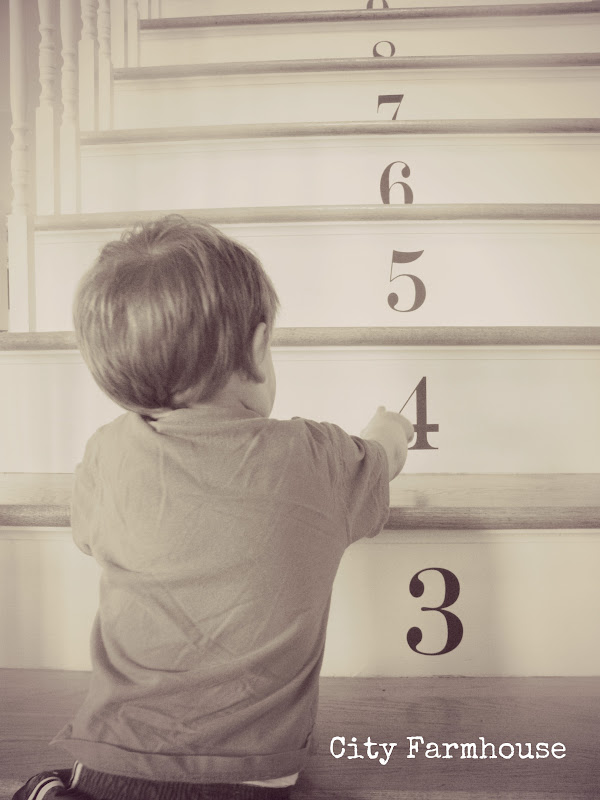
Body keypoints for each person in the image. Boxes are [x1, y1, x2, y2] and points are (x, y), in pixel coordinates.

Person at [13, 216, 413, 800]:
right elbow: (385, 457)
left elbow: (87, 533)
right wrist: (391, 427)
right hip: (255, 774)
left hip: (111, 759)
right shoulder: (316, 457)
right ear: (257, 347)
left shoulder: (108, 452)